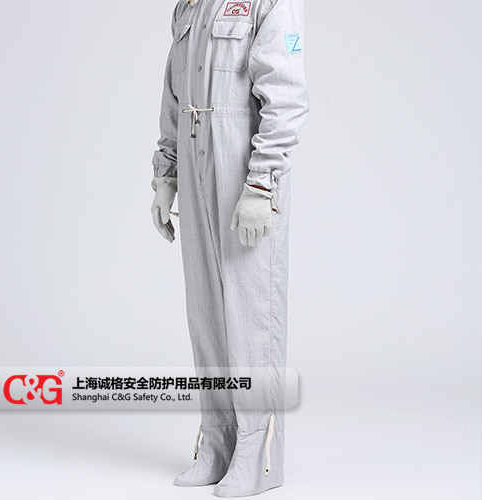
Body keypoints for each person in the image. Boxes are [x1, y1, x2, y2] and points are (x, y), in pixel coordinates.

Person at [151, 0, 308, 496]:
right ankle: (218, 440)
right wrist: (166, 175)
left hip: (241, 166)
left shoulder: (269, 3)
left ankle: (258, 453)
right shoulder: (190, 6)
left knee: (250, 314)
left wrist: (261, 183)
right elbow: (174, 94)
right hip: (195, 162)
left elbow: (285, 95)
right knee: (206, 313)